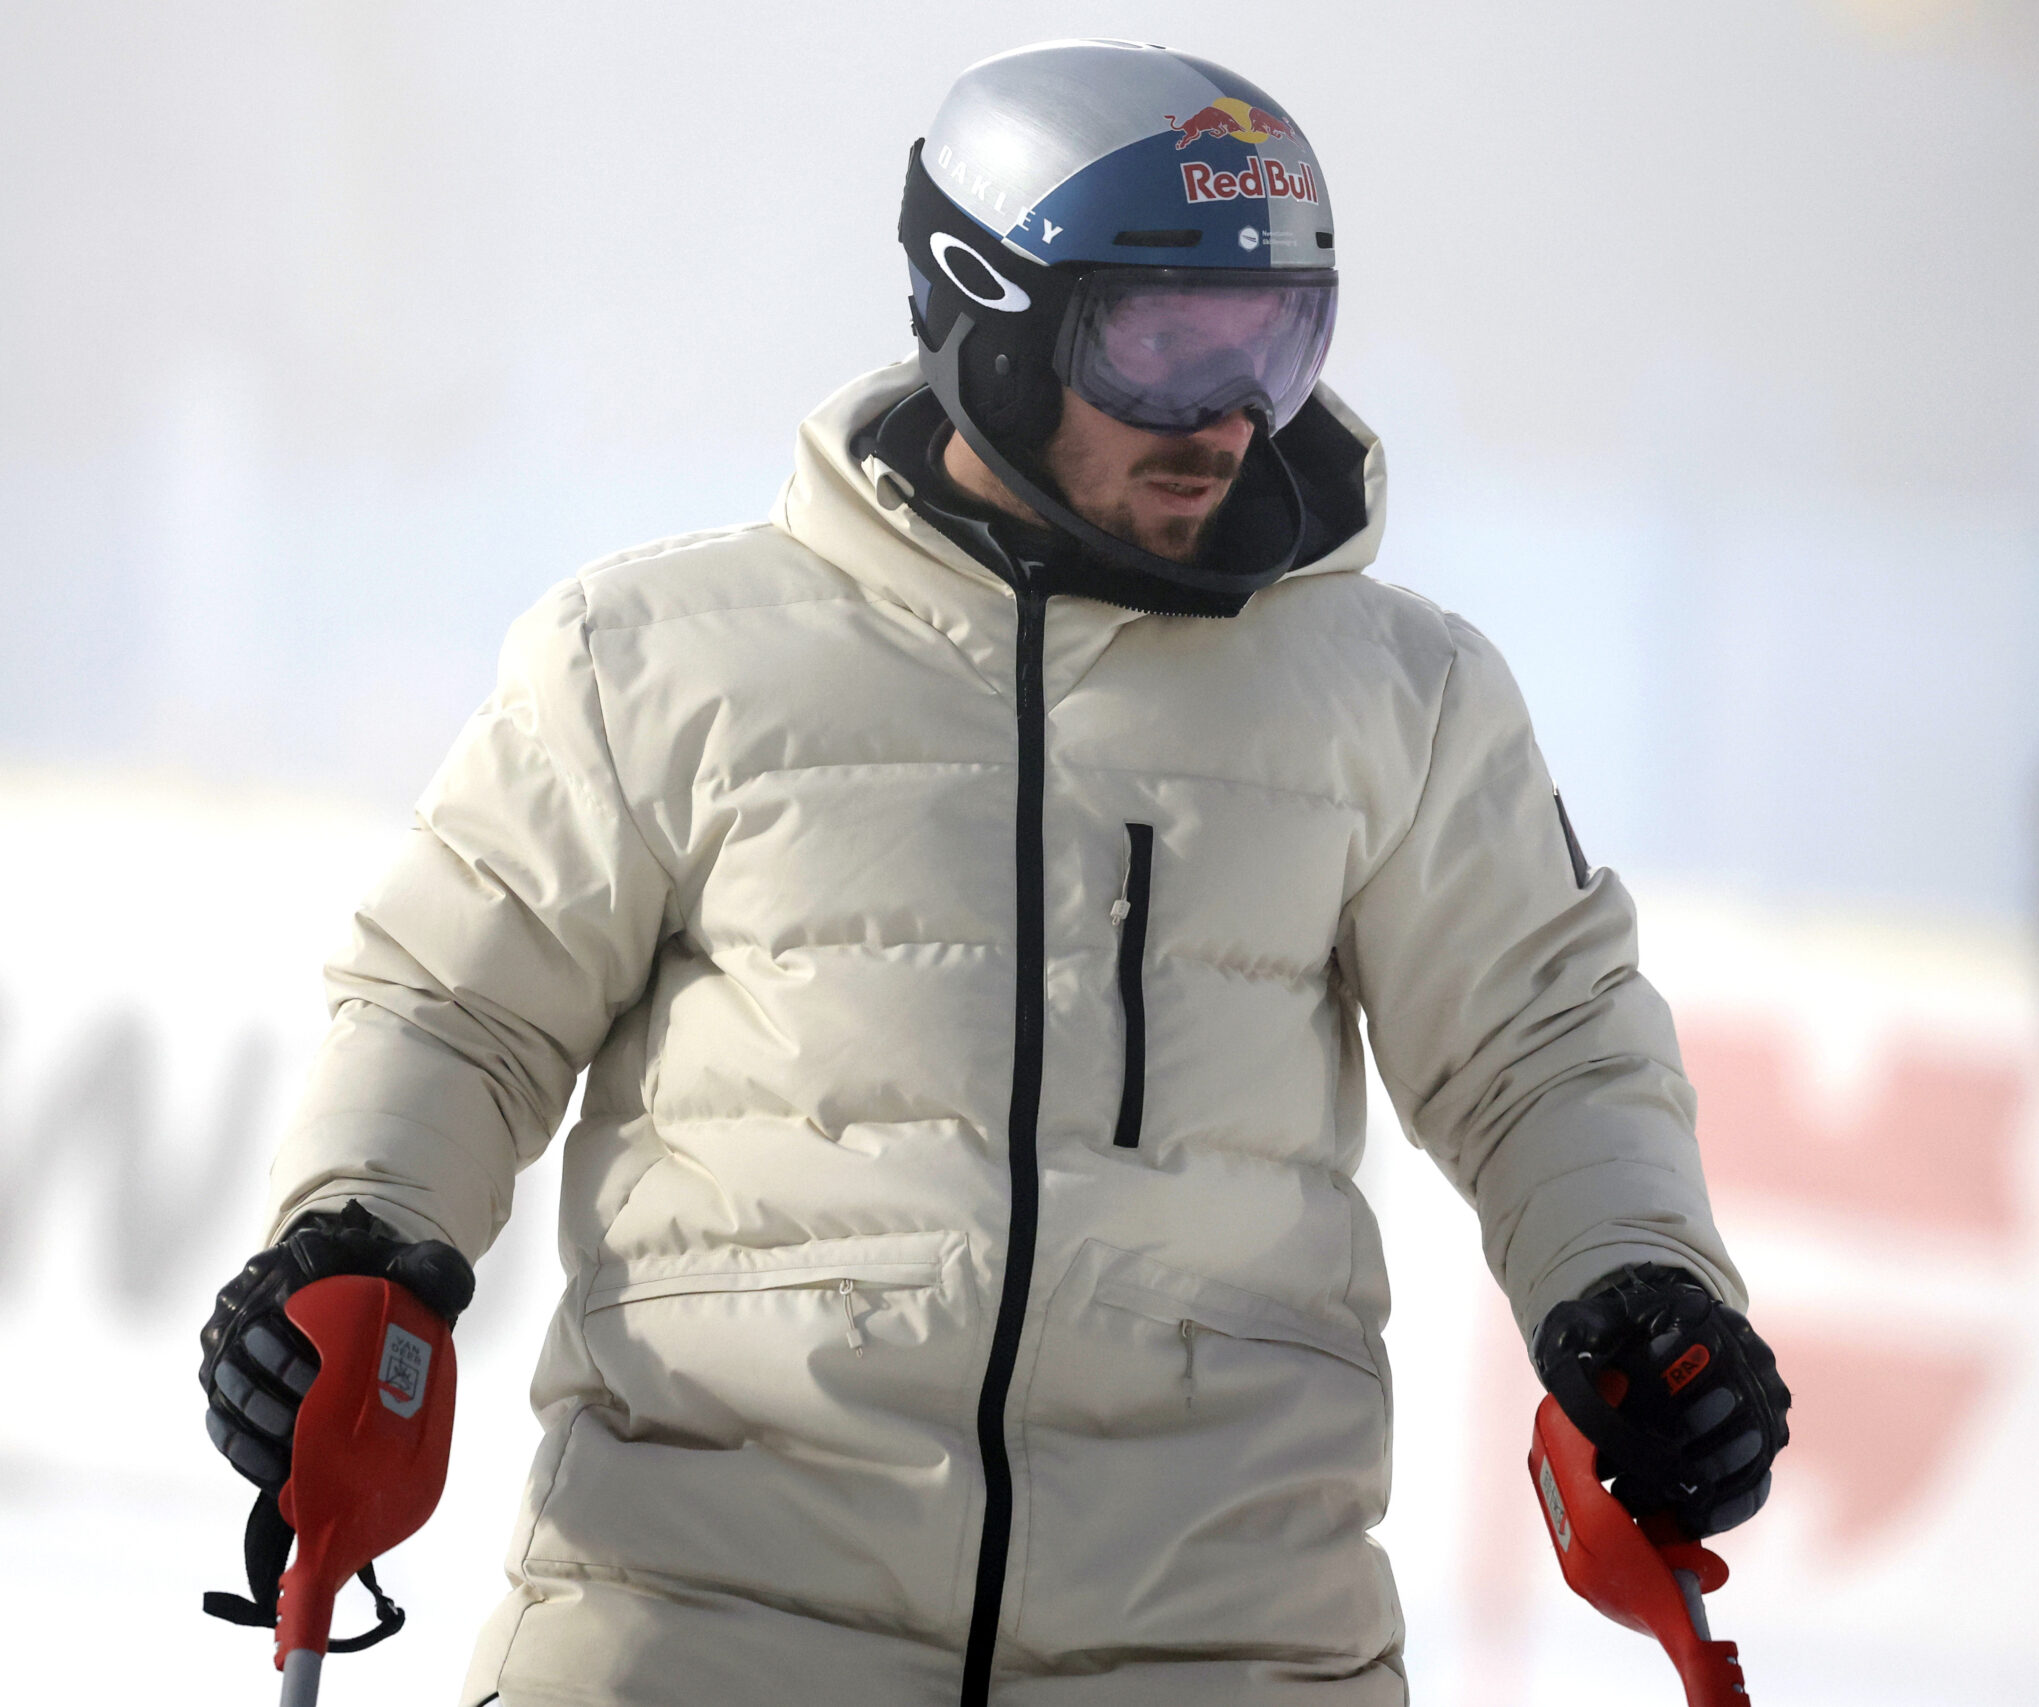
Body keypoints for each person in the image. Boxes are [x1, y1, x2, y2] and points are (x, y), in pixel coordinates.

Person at [194, 40, 1790, 1707]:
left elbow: (1544, 1045)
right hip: (710, 1615)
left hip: (1218, 1639)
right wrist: (355, 1233)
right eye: (1163, 344)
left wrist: (1637, 1281)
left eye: (1274, 344)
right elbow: (456, 1008)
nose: (1228, 417)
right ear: (991, 314)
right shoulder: (656, 658)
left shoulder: (1399, 696)